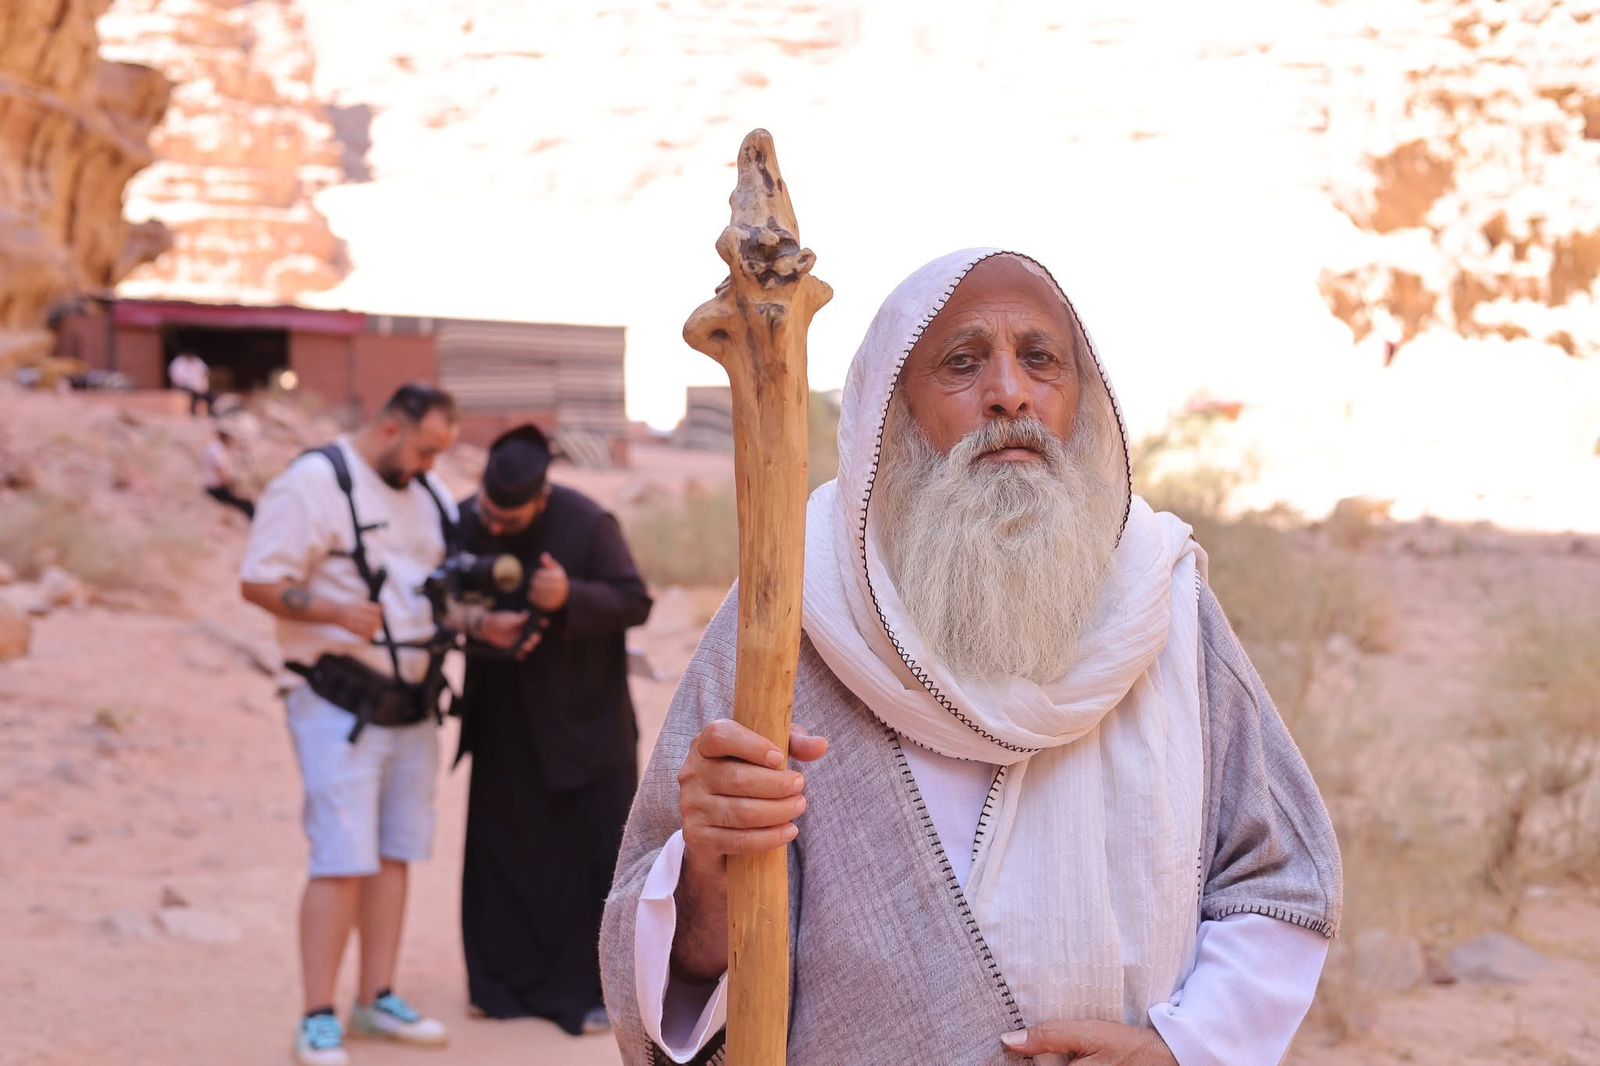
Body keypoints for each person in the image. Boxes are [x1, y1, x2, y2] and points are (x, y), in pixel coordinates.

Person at [600, 250, 1343, 1065]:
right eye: (962, 362)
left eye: (1041, 359)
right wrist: (710, 867)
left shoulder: (1163, 599)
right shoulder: (796, 606)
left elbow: (1278, 878)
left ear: (1082, 400)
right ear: (893, 409)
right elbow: (687, 967)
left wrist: (1183, 1049)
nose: (1009, 392)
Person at [240, 383, 461, 1066]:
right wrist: (334, 613)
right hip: (336, 705)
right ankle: (317, 1016)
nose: (430, 466)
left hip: (413, 706)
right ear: (390, 427)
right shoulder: (313, 484)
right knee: (341, 859)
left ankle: (376, 998)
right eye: (424, 449)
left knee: (395, 854)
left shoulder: (430, 495)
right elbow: (257, 580)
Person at [452, 424, 653, 1036]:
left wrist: (571, 595)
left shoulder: (588, 524)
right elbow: (439, 596)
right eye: (488, 514)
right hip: (503, 722)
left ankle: (592, 992)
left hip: (584, 726)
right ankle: (498, 985)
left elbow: (634, 601)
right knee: (503, 859)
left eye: (508, 520)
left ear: (540, 501)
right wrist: (478, 623)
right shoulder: (466, 519)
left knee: (588, 864)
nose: (494, 527)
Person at [203, 422, 254, 519]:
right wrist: (231, 487)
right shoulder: (217, 450)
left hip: (216, 486)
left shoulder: (215, 447)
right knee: (248, 506)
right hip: (216, 488)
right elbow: (221, 472)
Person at [168, 350, 214, 416]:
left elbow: (206, 372)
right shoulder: (178, 362)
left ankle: (211, 411)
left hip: (198, 386)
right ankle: (193, 410)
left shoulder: (198, 362)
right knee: (194, 393)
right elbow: (176, 378)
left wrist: (202, 385)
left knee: (210, 395)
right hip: (184, 385)